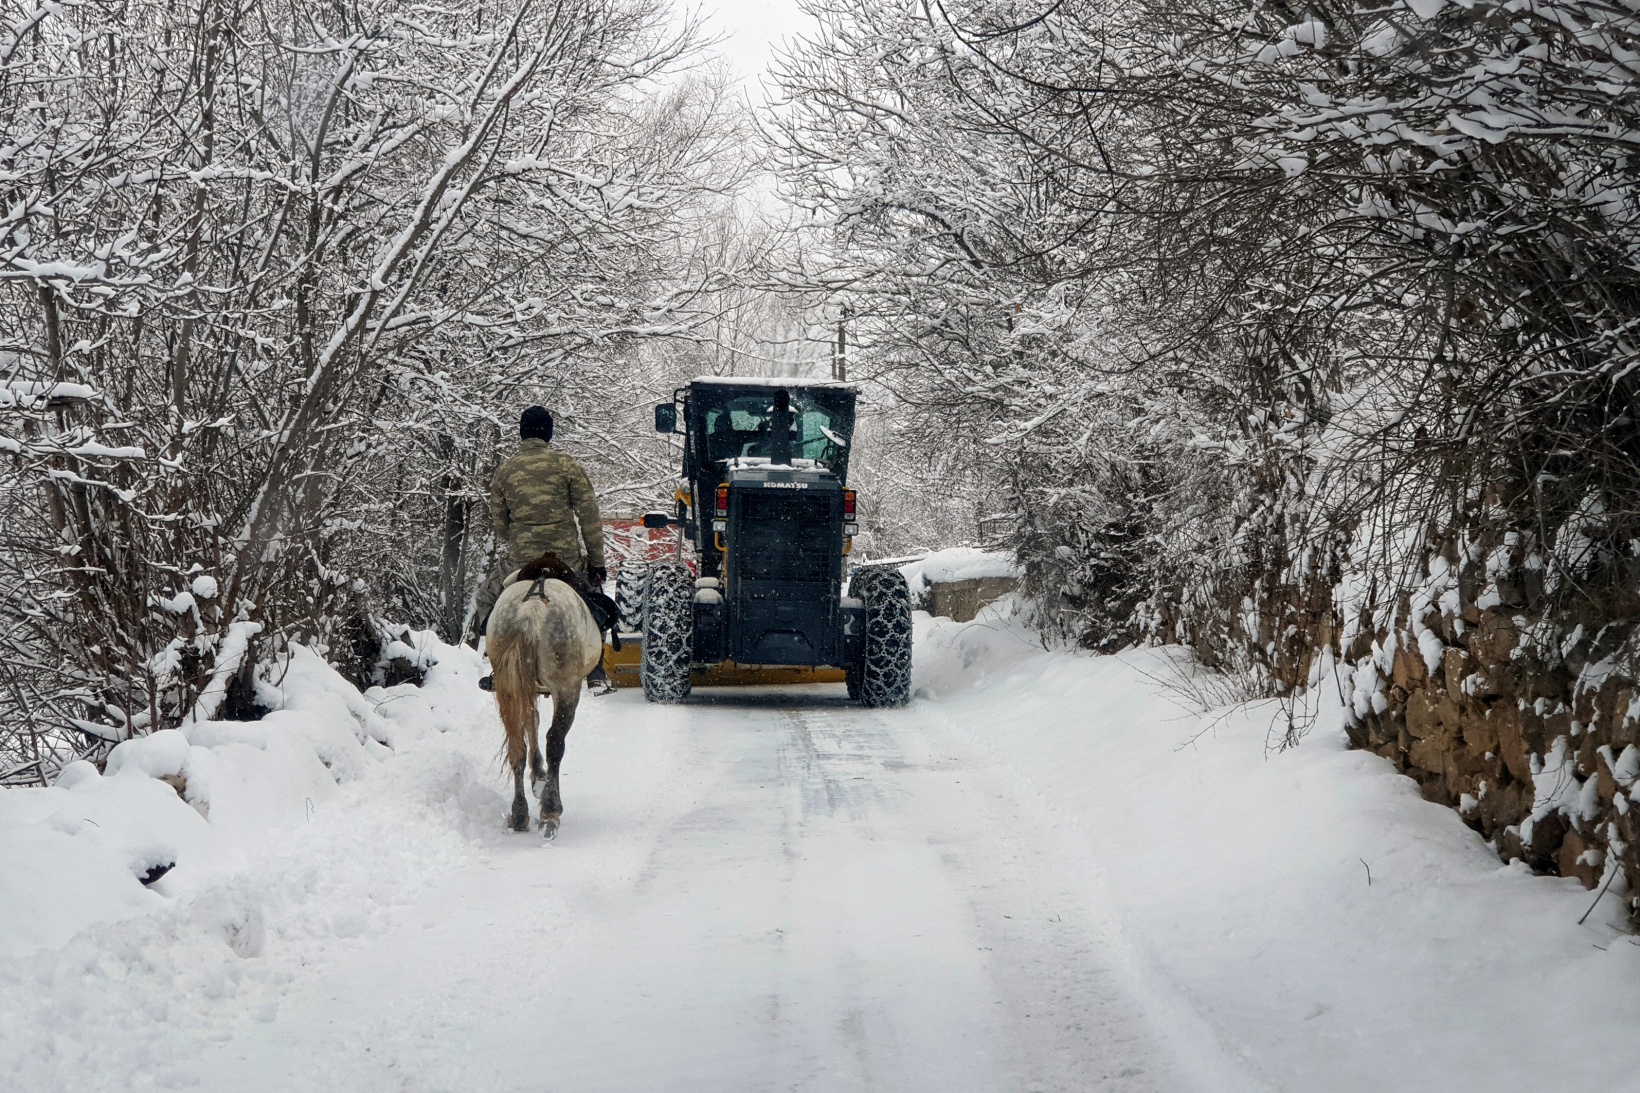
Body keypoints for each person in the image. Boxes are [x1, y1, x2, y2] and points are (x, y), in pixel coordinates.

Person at [474, 406, 611, 691]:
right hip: (566, 559)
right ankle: (597, 670)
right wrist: (597, 563)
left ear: (522, 433)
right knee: (596, 601)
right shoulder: (567, 465)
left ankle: (497, 663)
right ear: (549, 433)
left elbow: (500, 526)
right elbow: (589, 517)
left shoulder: (505, 470)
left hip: (520, 561)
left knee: (487, 597)